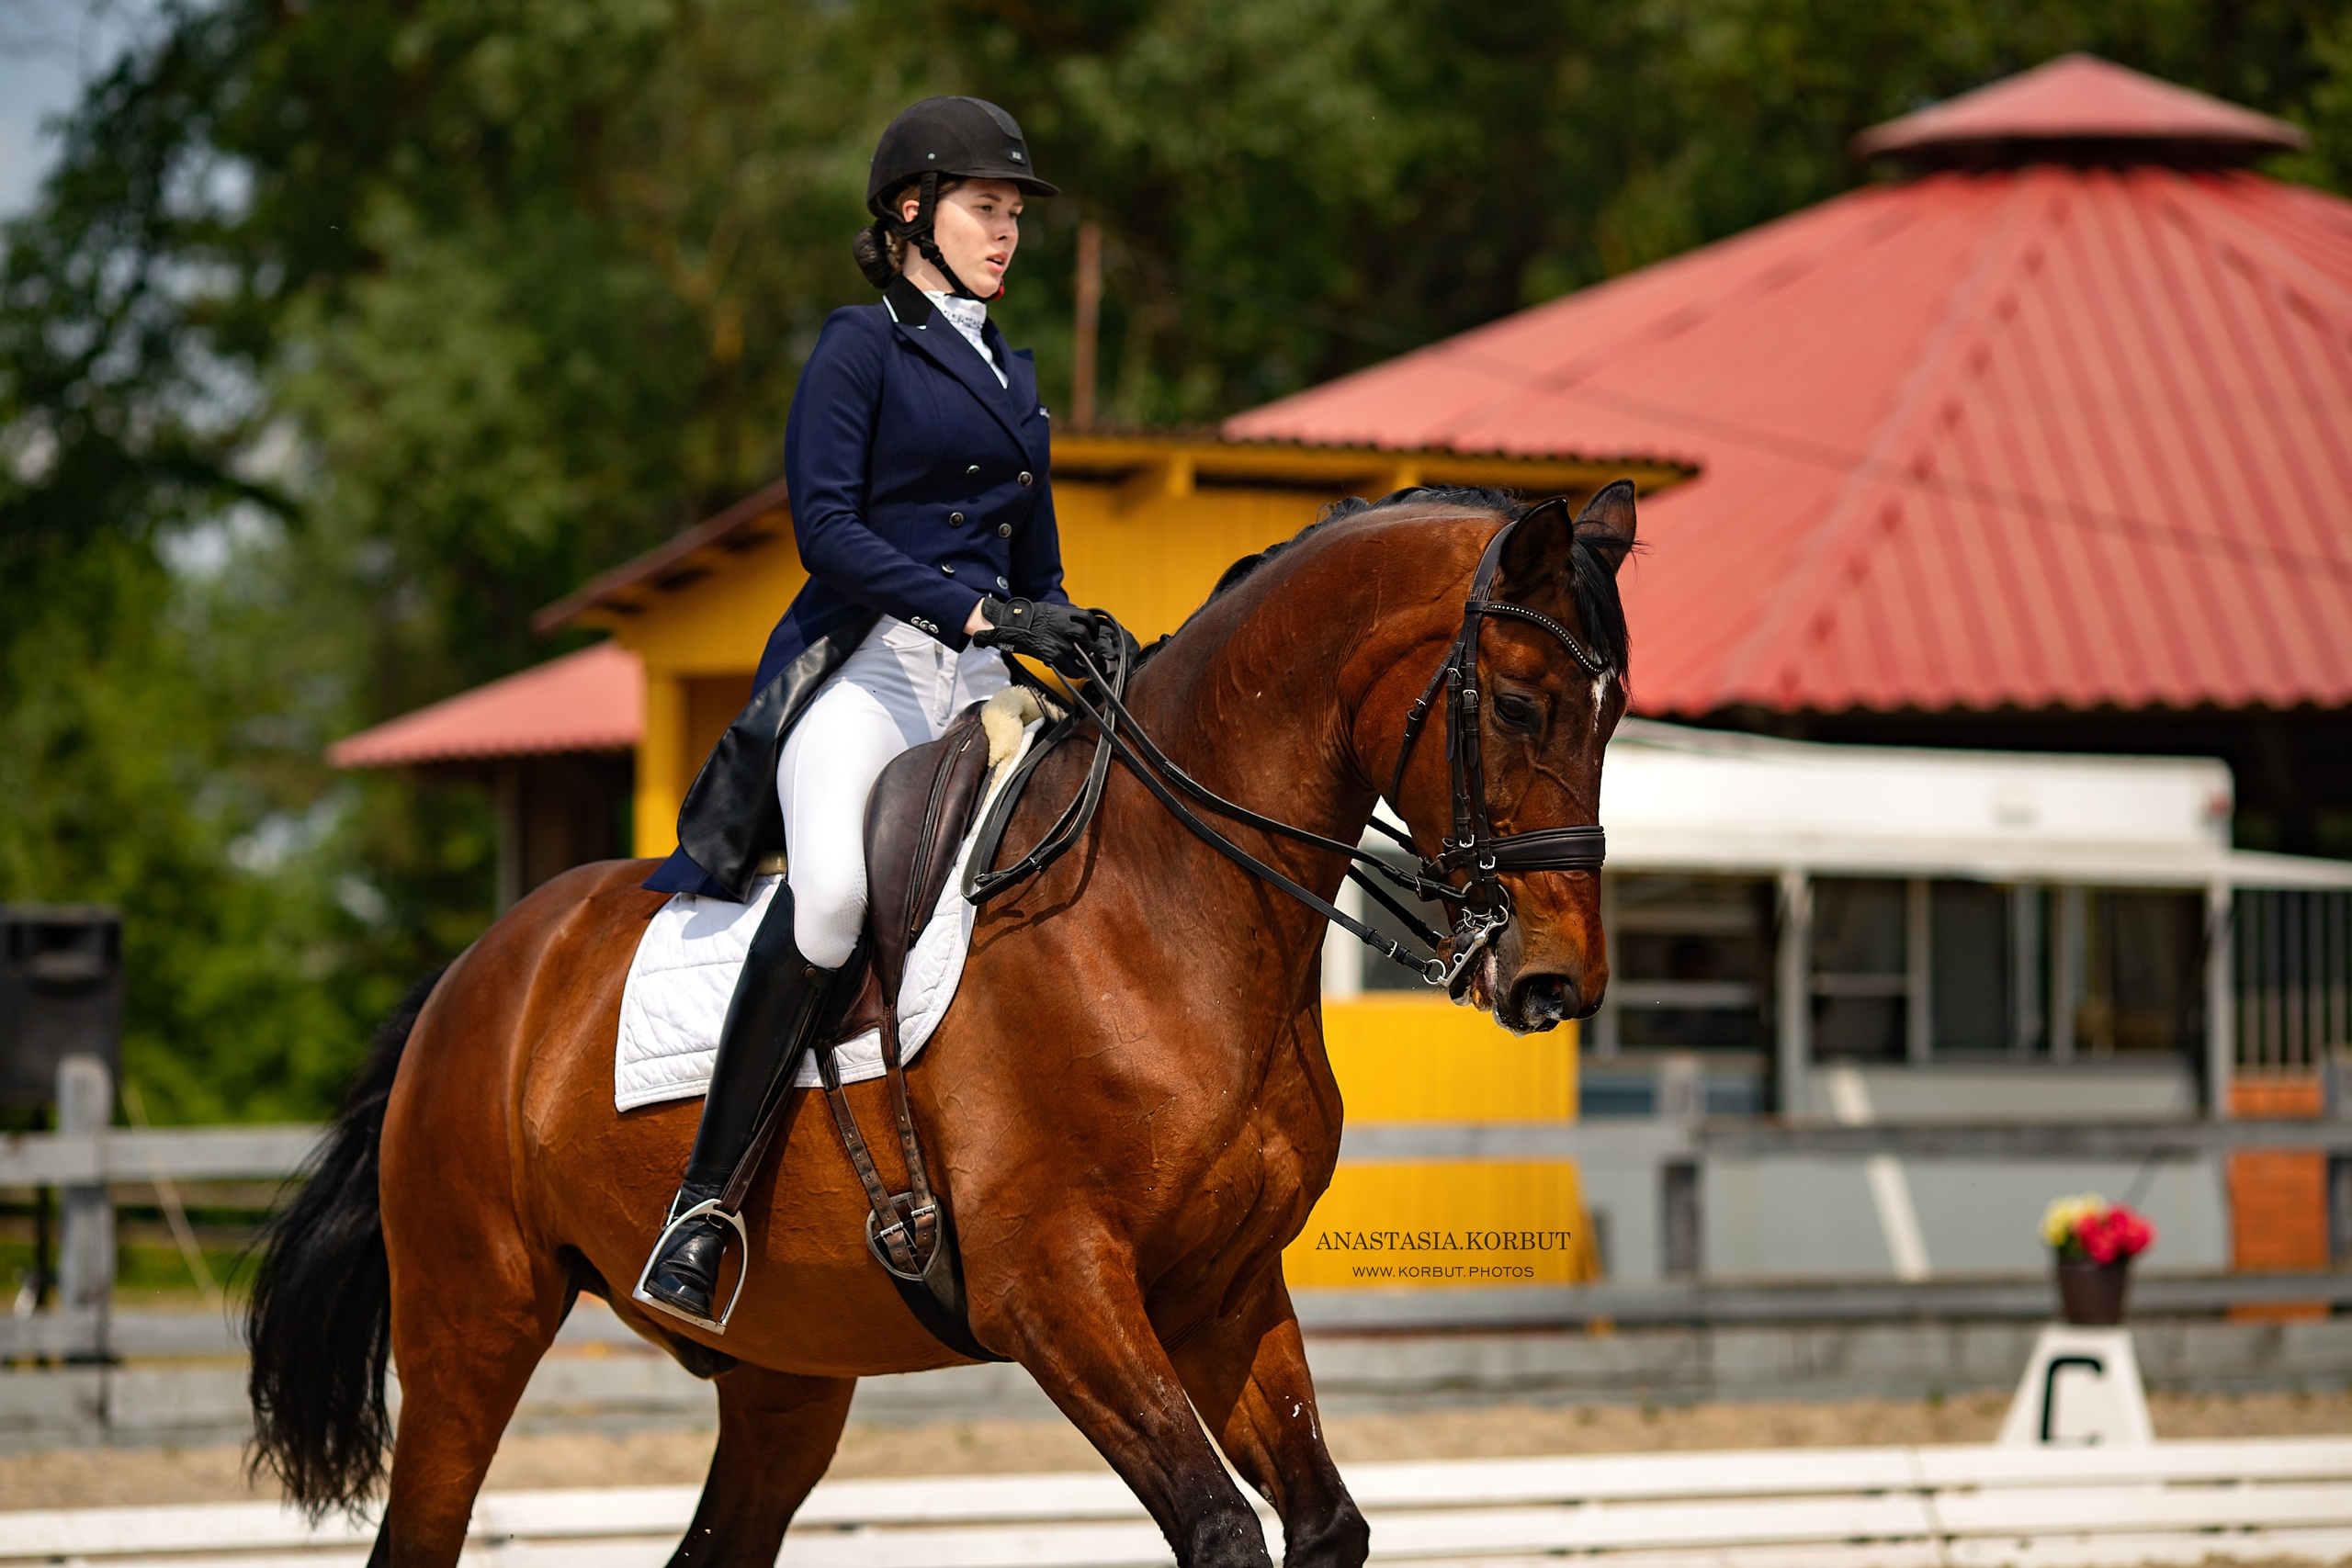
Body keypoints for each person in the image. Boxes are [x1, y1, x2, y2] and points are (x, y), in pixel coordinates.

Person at [633, 96, 1116, 1330]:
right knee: (838, 894)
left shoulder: (1014, 370)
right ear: (911, 211)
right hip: (873, 670)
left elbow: (1035, 567)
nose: (1008, 235)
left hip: (986, 683)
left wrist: (1078, 634)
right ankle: (703, 1202)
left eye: (1016, 216)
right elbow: (828, 533)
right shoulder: (860, 347)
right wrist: (979, 618)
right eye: (984, 209)